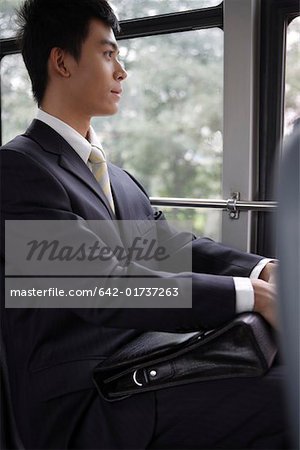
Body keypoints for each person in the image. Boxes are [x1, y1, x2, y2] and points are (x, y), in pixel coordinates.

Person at [0, 0, 289, 448]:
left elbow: (174, 246)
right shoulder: (17, 169)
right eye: (108, 53)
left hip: (144, 364)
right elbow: (100, 289)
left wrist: (262, 270)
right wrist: (253, 297)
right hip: (82, 400)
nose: (122, 72)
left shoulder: (118, 179)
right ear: (61, 61)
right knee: (283, 402)